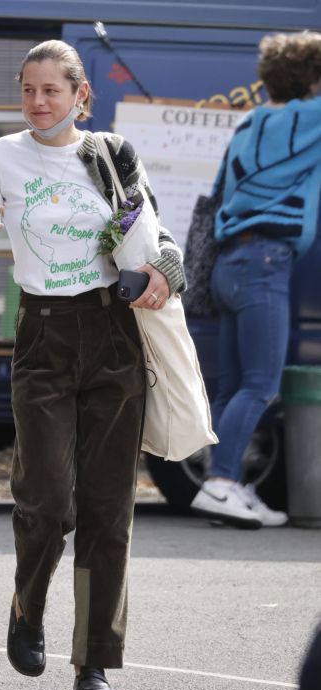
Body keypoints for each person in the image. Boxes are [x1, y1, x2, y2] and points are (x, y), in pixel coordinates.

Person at [0, 39, 185, 690]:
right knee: (47, 497)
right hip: (44, 334)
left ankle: (94, 658)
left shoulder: (110, 154)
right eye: (28, 89)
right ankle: (28, 609)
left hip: (113, 334)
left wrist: (161, 277)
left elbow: (159, 241)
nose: (36, 102)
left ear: (81, 96)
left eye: (51, 90)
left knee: (110, 506)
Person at [189, 31, 321, 528]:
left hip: (227, 263)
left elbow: (221, 192)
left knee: (232, 386)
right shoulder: (312, 118)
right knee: (263, 384)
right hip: (266, 262)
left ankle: (226, 485)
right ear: (311, 78)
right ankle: (223, 484)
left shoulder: (247, 125)